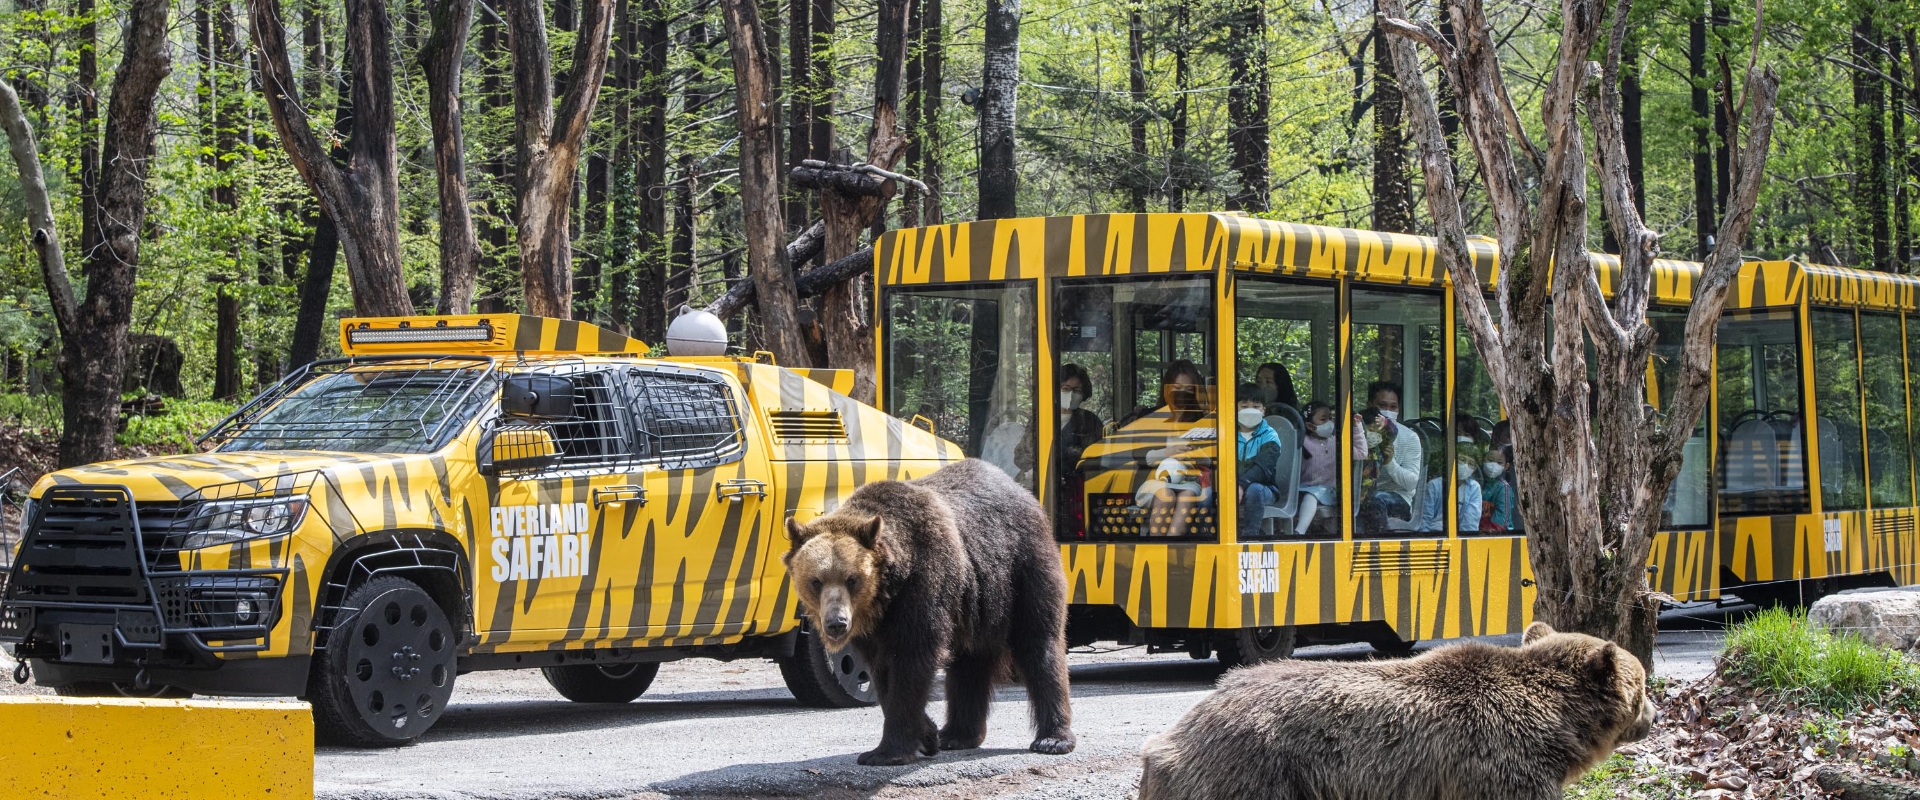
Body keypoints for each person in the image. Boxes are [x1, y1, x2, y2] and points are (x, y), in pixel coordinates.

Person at [1357, 381, 1422, 534]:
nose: (1387, 412)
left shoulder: (1410, 437)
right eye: (1382, 405)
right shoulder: (1357, 433)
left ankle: (1376, 551)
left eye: (1393, 407)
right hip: (1360, 493)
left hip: (1397, 498)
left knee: (1374, 500)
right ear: (1369, 405)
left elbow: (1411, 483)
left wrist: (1390, 463)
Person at [1294, 400, 1364, 536]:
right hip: (1301, 489)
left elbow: (1361, 453)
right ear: (1309, 425)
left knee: (1311, 495)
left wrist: (1357, 427)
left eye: (1330, 418)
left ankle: (1299, 532)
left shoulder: (1336, 442)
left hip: (1328, 491)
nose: (1329, 422)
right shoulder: (1302, 442)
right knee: (1309, 494)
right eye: (1323, 419)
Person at [1233, 385, 1285, 538]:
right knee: (1208, 493)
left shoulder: (1270, 436)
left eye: (1256, 406)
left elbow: (1263, 468)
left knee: (1255, 489)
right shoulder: (1226, 433)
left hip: (1265, 489)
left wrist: (1241, 485)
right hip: (1231, 486)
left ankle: (1250, 538)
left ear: (1263, 410)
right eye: (1244, 406)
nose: (1250, 410)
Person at [1417, 453, 1481, 532]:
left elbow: (1470, 523)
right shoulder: (1434, 485)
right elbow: (1424, 519)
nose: (1465, 466)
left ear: (1474, 469)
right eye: (1462, 460)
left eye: (1470, 464)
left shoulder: (1474, 488)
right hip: (1433, 534)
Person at [1480, 445, 1515, 531]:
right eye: (1490, 460)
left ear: (1506, 466)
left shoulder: (1503, 488)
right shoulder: (1477, 482)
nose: (1493, 465)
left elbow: (1500, 524)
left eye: (1499, 462)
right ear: (1483, 460)